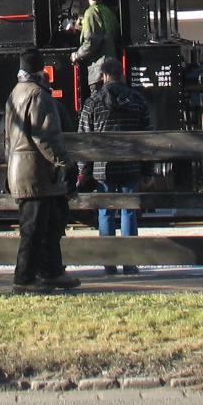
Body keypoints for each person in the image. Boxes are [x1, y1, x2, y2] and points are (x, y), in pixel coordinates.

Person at [5, 48, 78, 293]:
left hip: (20, 167)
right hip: (35, 170)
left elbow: (8, 138)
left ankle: (51, 272)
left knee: (46, 223)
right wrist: (65, 162)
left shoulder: (15, 93)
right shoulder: (38, 95)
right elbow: (45, 137)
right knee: (36, 228)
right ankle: (25, 278)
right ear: (40, 70)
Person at [77, 57, 151, 276]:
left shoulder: (93, 102)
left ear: (104, 75)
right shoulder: (137, 100)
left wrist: (83, 171)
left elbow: (84, 139)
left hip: (103, 168)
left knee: (105, 212)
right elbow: (148, 138)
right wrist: (148, 169)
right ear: (121, 73)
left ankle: (108, 261)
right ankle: (130, 262)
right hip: (131, 165)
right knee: (129, 211)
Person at [71, 0, 122, 85]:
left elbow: (91, 42)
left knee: (99, 94)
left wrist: (77, 55)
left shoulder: (91, 12)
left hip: (99, 67)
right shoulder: (107, 11)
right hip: (111, 64)